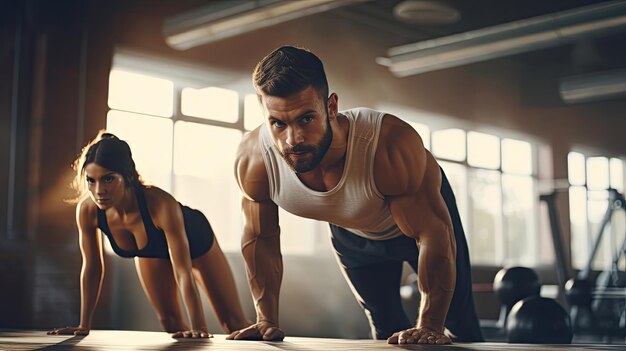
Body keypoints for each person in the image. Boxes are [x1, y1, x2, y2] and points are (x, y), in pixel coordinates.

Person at [228, 46, 484, 345]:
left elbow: (431, 233)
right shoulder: (255, 159)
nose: (293, 139)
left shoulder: (388, 144)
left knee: (457, 328)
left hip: (417, 224)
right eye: (278, 123)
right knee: (384, 331)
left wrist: (429, 324)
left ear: (331, 106)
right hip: (350, 230)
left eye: (306, 119)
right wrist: (266, 320)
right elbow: (262, 239)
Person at [48, 131, 249, 338]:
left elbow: (182, 272)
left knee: (233, 323)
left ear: (127, 176)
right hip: (153, 251)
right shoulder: (88, 211)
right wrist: (84, 325)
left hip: (196, 240)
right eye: (91, 180)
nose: (99, 190)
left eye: (108, 179)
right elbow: (92, 267)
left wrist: (199, 327)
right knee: (170, 324)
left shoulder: (161, 204)